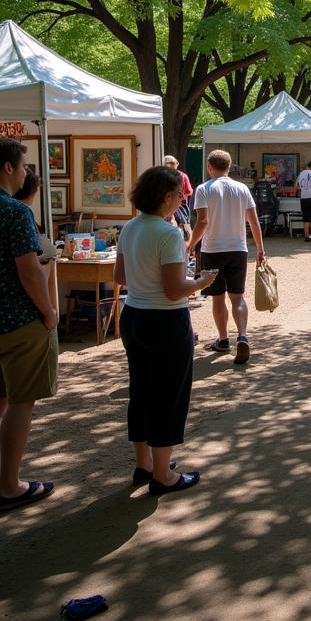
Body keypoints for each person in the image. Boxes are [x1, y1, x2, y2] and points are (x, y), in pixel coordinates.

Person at [117, 166, 215, 496]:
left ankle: (144, 464)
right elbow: (175, 289)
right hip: (165, 321)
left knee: (141, 392)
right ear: (165, 197)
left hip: (134, 316)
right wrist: (200, 281)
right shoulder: (168, 233)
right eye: (178, 194)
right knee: (169, 396)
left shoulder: (129, 227)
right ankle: (163, 474)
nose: (182, 199)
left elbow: (121, 276)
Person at [0, 139, 58, 513]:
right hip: (18, 320)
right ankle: (8, 484)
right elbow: (28, 270)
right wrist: (50, 311)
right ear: (7, 168)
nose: (25, 173)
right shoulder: (14, 211)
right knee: (21, 402)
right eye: (22, 166)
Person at [186, 149, 266, 364]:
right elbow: (253, 221)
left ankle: (223, 340)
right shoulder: (242, 189)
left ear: (209, 167)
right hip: (238, 248)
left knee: (218, 297)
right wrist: (260, 248)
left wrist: (191, 244)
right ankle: (242, 335)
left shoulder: (203, 189)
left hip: (213, 249)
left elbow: (202, 222)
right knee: (237, 296)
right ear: (229, 167)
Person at [163, 154, 193, 240]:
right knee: (185, 230)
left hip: (166, 206)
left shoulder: (160, 176)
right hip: (180, 206)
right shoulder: (182, 176)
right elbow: (188, 192)